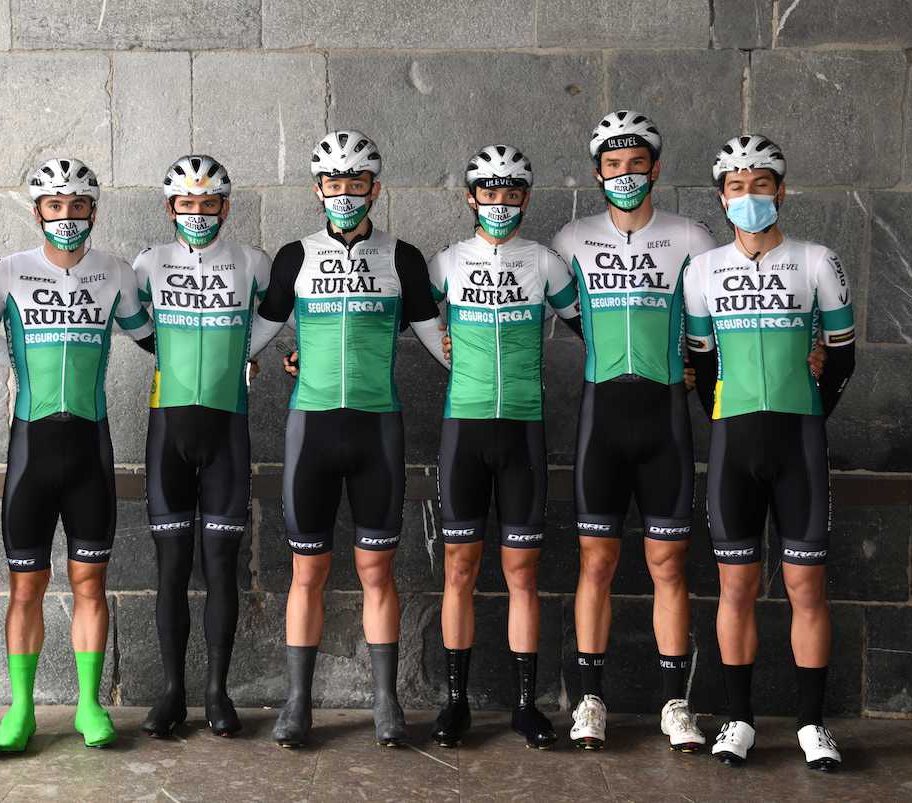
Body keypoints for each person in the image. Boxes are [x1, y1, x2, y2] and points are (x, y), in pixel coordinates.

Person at [248, 130, 449, 748]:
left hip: (376, 429)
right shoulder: (294, 256)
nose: (344, 193)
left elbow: (442, 342)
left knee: (375, 570)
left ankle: (386, 701)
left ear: (374, 188)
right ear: (317, 189)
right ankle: (297, 703)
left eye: (355, 182)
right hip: (311, 429)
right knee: (306, 571)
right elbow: (255, 331)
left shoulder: (402, 258)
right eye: (333, 182)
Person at [0, 158, 155, 751]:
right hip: (31, 449)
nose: (67, 216)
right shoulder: (7, 273)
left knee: (90, 583)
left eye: (78, 205)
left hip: (89, 450)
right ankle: (21, 708)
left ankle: (88, 705)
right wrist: (16, 362)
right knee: (25, 587)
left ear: (93, 211)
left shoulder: (116, 273)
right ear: (38, 212)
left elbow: (153, 337)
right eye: (56, 206)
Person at [684, 135, 855, 771]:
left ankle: (812, 725)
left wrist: (807, 411)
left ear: (780, 191)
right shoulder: (701, 270)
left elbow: (843, 357)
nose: (749, 196)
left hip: (799, 442)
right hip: (733, 443)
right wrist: (730, 417)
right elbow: (701, 365)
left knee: (807, 585)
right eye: (736, 186)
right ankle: (739, 721)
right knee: (737, 585)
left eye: (760, 184)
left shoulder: (817, 260)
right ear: (721, 197)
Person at [551, 111, 717, 751]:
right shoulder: (571, 239)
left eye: (636, 163)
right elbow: (550, 309)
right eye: (613, 165)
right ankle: (589, 700)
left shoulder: (691, 237)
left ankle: (676, 704)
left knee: (667, 562)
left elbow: (716, 319)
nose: (625, 174)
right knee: (596, 560)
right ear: (598, 173)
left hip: (665, 416)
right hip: (602, 415)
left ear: (655, 168)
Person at [427, 145, 580, 749]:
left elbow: (592, 325)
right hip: (463, 429)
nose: (500, 203)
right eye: (489, 193)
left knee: (522, 571)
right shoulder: (447, 262)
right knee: (459, 569)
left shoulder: (545, 262)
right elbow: (401, 318)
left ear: (525, 198)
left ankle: (525, 705)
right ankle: (455, 703)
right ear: (471, 197)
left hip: (523, 430)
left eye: (511, 194)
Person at [133, 155, 271, 738]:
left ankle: (217, 692)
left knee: (220, 567)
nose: (198, 213)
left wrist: (246, 352)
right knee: (171, 569)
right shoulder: (148, 264)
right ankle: (172, 692)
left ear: (224, 207)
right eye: (186, 204)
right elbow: (129, 320)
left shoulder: (252, 262)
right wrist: (166, 353)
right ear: (170, 208)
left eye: (208, 203)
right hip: (168, 430)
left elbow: (280, 312)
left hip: (227, 433)